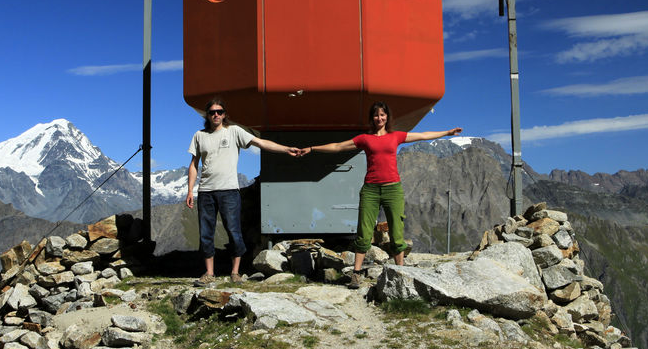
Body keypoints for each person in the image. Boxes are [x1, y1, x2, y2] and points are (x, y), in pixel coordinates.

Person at [299, 101, 462, 288]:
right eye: (376, 115)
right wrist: (312, 148)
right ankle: (356, 274)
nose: (379, 118)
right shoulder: (365, 139)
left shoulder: (396, 136)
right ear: (372, 118)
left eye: (382, 115)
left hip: (393, 189)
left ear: (387, 117)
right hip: (370, 189)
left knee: (396, 231)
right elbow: (337, 147)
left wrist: (447, 133)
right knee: (364, 231)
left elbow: (423, 135)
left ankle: (401, 272)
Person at [187, 98, 301, 285]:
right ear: (207, 115)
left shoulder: (234, 132)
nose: (216, 115)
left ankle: (235, 272)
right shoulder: (199, 136)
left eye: (220, 112)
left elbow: (261, 143)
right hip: (206, 191)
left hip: (229, 191)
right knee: (206, 233)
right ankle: (209, 273)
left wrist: (285, 149)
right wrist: (190, 191)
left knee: (233, 230)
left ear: (225, 115)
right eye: (212, 112)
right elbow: (193, 164)